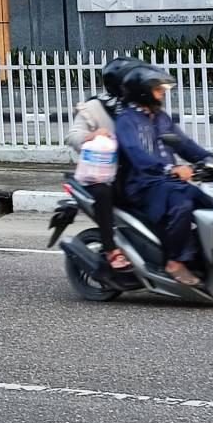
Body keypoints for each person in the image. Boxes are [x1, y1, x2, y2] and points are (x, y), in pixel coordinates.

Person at [115, 65, 213, 286]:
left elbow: (184, 145)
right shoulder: (126, 121)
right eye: (157, 89)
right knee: (182, 205)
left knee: (210, 201)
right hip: (142, 184)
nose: (161, 93)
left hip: (167, 183)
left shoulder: (161, 118)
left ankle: (210, 258)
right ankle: (174, 261)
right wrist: (169, 169)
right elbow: (136, 154)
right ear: (142, 92)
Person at [65, 57, 142, 270]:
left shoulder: (138, 106)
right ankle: (111, 250)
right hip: (100, 175)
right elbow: (72, 136)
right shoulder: (94, 107)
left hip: (132, 172)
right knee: (103, 193)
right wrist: (92, 135)